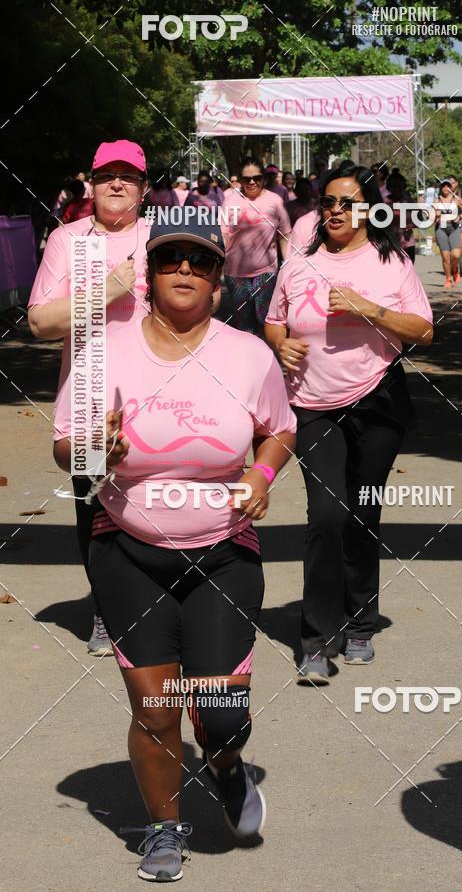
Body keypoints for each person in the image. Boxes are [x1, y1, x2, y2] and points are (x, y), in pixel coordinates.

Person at [53, 212, 296, 882]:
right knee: (155, 707)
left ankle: (223, 761)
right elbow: (63, 445)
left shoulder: (247, 355)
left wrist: (260, 473)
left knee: (218, 711)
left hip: (223, 550)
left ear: (219, 279)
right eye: (170, 259)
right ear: (150, 275)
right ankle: (164, 826)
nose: (185, 269)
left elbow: (279, 429)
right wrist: (94, 448)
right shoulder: (105, 348)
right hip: (127, 549)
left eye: (201, 261)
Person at [264, 165, 433, 683]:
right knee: (327, 516)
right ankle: (315, 640)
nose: (336, 210)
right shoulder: (299, 264)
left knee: (362, 513)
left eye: (347, 202)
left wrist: (370, 309)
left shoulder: (391, 261)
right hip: (314, 405)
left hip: (378, 399)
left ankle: (359, 619)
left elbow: (422, 330)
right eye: (328, 201)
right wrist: (279, 343)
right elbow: (274, 319)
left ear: (368, 209)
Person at [28, 139, 150, 655]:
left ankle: (159, 607)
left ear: (144, 189)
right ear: (91, 185)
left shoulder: (159, 237)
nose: (116, 184)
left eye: (127, 176)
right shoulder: (67, 240)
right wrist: (107, 290)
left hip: (161, 388)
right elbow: (39, 321)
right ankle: (107, 610)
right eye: (106, 177)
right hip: (89, 393)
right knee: (94, 507)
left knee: (161, 497)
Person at [222, 158, 290, 336]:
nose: (252, 182)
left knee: (265, 318)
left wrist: (289, 265)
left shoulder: (274, 201)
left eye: (257, 178)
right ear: (240, 181)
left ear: (264, 179)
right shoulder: (230, 201)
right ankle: (248, 360)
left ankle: (267, 358)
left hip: (266, 271)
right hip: (235, 272)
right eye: (246, 179)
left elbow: (285, 235)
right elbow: (224, 235)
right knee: (244, 323)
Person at [433, 179, 462, 287]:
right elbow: (431, 216)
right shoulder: (436, 200)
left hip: (453, 228)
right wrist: (436, 215)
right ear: (441, 188)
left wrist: (459, 217)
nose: (445, 188)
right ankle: (448, 279)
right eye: (443, 186)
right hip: (441, 228)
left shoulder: (456, 199)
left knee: (456, 255)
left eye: (448, 186)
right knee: (445, 256)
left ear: (451, 188)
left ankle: (455, 270)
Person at [386, 171, 416, 263]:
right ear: (389, 187)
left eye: (399, 187)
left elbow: (420, 220)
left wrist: (410, 225)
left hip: (407, 244)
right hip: (390, 245)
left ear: (403, 187)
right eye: (393, 186)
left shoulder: (408, 201)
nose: (396, 189)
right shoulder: (384, 202)